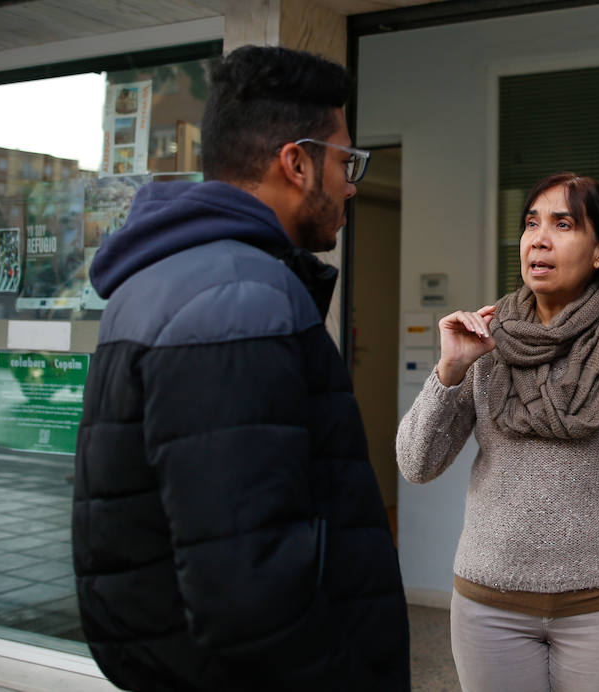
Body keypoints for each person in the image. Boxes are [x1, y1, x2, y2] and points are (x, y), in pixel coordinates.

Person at [72, 45, 409, 690]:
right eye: (346, 162)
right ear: (296, 162)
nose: (352, 185)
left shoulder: (164, 278)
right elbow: (247, 587)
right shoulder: (236, 294)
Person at [397, 172, 599, 692]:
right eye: (532, 223)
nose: (539, 238)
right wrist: (449, 371)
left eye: (563, 223)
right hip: (488, 605)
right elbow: (417, 465)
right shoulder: (486, 336)